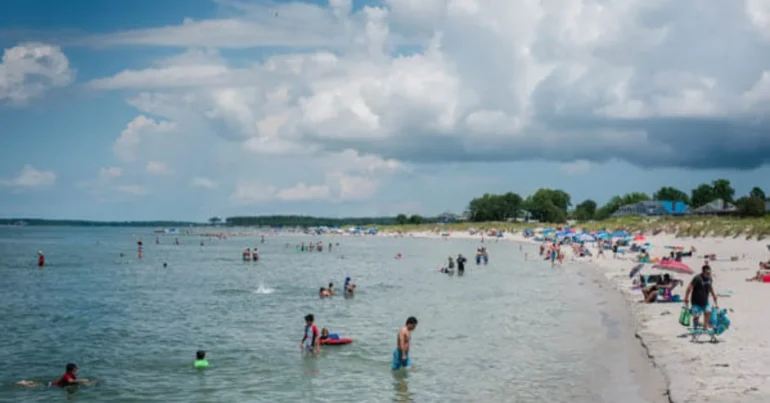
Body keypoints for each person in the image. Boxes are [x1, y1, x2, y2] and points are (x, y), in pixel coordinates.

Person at [685, 265, 718, 330]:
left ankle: (705, 326)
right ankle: (695, 327)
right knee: (696, 316)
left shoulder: (710, 278)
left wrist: (714, 295)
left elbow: (710, 287)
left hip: (705, 301)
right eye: (707, 272)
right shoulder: (697, 278)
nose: (709, 274)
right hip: (696, 302)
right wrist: (686, 297)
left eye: (710, 272)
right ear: (703, 272)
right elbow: (689, 288)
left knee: (708, 312)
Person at [17, 363, 89, 388]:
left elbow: (74, 382)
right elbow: (70, 381)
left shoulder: (72, 376)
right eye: (75, 370)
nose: (76, 371)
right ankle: (24, 383)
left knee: (37, 384)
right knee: (34, 386)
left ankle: (28, 382)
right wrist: (82, 380)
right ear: (70, 371)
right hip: (51, 385)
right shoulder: (67, 375)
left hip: (53, 384)